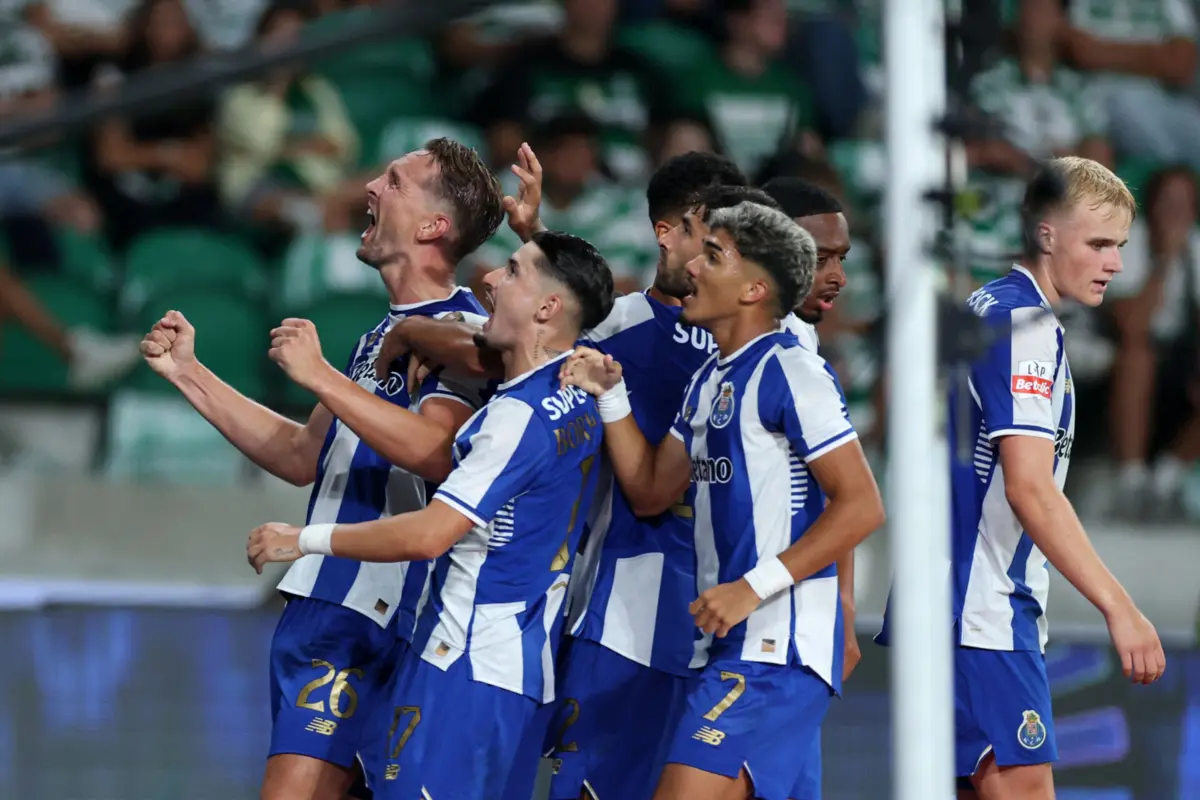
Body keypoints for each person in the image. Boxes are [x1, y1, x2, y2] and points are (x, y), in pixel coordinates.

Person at [139, 138, 505, 800]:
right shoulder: (379, 336)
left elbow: (433, 452)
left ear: (433, 226)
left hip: (376, 610)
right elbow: (303, 455)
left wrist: (319, 376)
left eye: (394, 181)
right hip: (334, 605)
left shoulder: (458, 330)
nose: (370, 186)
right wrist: (190, 375)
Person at [248, 230, 617, 799]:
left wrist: (304, 539)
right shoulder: (583, 394)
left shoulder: (515, 417)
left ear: (548, 306)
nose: (490, 278)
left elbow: (429, 534)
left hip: (462, 668)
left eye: (513, 271)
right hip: (522, 674)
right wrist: (414, 328)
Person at [560, 200, 885, 800]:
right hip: (733, 645)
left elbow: (862, 505)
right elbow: (653, 487)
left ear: (754, 288)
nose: (694, 266)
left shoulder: (793, 369)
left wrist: (751, 587)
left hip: (775, 644)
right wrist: (611, 396)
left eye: (714, 255)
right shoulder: (711, 378)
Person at [877, 156, 1166, 800]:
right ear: (1046, 236)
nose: (1114, 263)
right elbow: (1029, 487)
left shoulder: (985, 307)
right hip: (981, 609)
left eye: (1119, 245)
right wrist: (1120, 608)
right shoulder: (1023, 326)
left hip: (944, 599)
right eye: (1097, 244)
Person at [761, 176, 855, 800]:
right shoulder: (756, 353)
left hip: (793, 631)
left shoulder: (804, 357)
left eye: (842, 259)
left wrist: (844, 609)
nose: (837, 276)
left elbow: (847, 495)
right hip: (756, 634)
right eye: (820, 258)